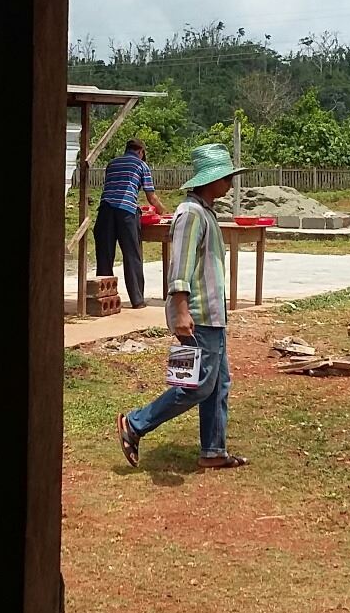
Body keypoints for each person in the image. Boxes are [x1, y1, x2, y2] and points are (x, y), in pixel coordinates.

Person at [117, 143, 249, 471]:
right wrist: (180, 310)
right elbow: (180, 265)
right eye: (226, 177)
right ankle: (135, 423)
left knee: (218, 384)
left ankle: (213, 450)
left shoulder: (205, 212)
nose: (230, 183)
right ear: (211, 180)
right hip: (198, 314)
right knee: (196, 385)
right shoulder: (190, 214)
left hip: (212, 315)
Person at [95, 138, 165, 309]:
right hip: (126, 211)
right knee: (132, 255)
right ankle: (137, 300)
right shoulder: (141, 165)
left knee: (105, 256)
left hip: (105, 210)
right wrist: (162, 211)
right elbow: (151, 197)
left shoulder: (112, 163)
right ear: (141, 151)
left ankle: (104, 301)